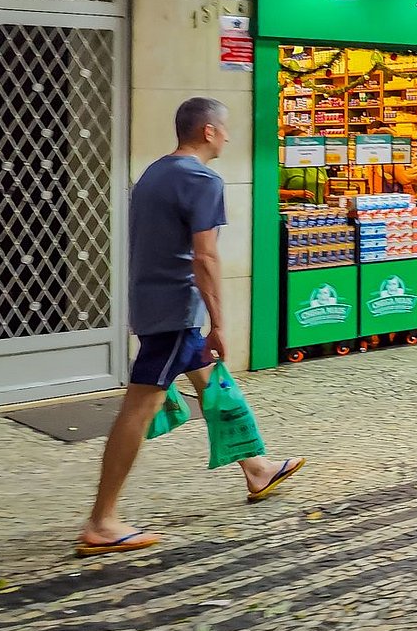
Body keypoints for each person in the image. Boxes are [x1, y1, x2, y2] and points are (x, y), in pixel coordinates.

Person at [76, 98, 303, 557]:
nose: (229, 137)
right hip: (177, 312)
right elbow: (205, 256)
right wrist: (219, 322)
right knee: (138, 408)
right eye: (225, 129)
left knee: (212, 381)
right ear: (208, 131)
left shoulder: (154, 173)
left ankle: (256, 468)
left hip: (153, 304)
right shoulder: (202, 179)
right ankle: (102, 521)